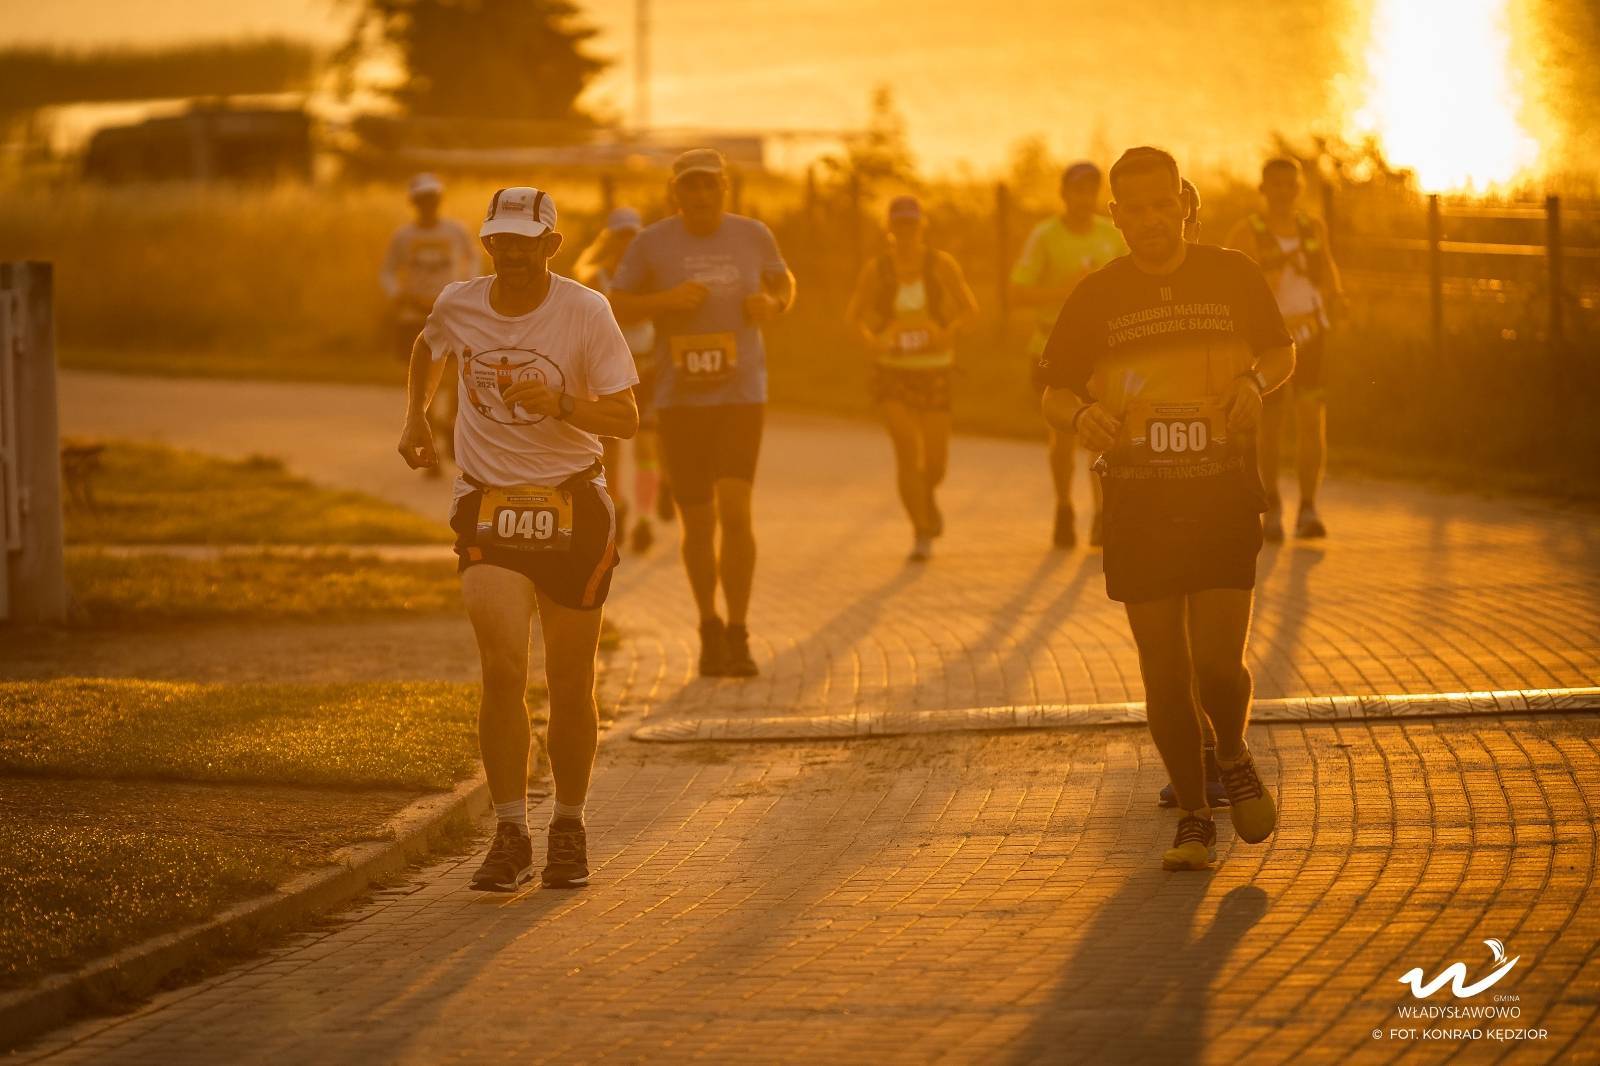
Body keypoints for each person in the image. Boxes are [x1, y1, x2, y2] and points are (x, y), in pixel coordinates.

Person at [1039, 147, 1295, 872]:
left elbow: (1282, 353)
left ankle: (1232, 753)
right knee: (1163, 669)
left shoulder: (1232, 276)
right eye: (1137, 209)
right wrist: (1080, 416)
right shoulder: (1096, 296)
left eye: (1164, 204)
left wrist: (1253, 383)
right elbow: (1054, 391)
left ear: (1184, 204)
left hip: (1221, 493)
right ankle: (1193, 816)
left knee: (1216, 666)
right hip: (1139, 503)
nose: (1152, 220)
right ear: (1116, 216)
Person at [396, 186, 640, 891]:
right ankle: (510, 834)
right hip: (489, 502)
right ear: (487, 243)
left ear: (552, 245)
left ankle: (568, 826)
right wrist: (416, 416)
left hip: (572, 502)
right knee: (503, 671)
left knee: (570, 681)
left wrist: (563, 403)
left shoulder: (586, 311)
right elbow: (427, 346)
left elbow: (626, 417)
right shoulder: (460, 302)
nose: (511, 254)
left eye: (526, 243)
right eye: (500, 241)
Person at [608, 148, 796, 678]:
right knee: (698, 521)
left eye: (709, 184)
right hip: (680, 399)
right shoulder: (651, 243)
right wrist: (666, 302)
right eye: (689, 186)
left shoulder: (753, 235)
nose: (700, 194)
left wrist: (774, 305)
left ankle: (739, 632)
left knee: (735, 510)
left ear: (723, 189)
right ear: (676, 192)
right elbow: (616, 302)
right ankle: (708, 627)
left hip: (741, 394)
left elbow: (783, 283)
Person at [845, 195, 979, 561]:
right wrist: (873, 342)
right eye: (899, 224)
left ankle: (926, 496)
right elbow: (853, 317)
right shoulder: (877, 269)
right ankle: (921, 530)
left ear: (922, 227)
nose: (905, 231)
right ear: (889, 229)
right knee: (906, 449)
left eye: (911, 224)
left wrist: (948, 333)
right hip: (892, 371)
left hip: (934, 369)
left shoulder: (941, 264)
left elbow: (970, 311)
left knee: (935, 463)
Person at [1224, 157, 1347, 540]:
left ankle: (1308, 508)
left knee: (1311, 418)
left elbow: (1328, 269)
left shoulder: (1313, 227)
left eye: (1290, 185)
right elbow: (1230, 287)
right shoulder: (1247, 232)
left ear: (1299, 189)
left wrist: (1337, 297)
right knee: (1270, 425)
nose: (1283, 192)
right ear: (1263, 188)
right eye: (1275, 184)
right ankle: (1273, 505)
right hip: (1270, 339)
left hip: (1311, 334)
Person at [1011, 161, 1127, 549]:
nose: (1084, 198)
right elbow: (1018, 292)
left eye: (1091, 190)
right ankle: (1064, 506)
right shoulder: (1045, 236)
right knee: (1062, 436)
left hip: (1102, 350)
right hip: (1052, 346)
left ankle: (1102, 514)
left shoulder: (1111, 235)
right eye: (1077, 190)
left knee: (1101, 429)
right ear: (1063, 194)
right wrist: (1067, 290)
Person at [576, 206, 664, 554]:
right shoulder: (593, 277)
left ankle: (644, 518)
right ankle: (617, 506)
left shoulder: (654, 277)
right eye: (622, 236)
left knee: (646, 446)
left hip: (647, 368)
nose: (628, 243)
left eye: (634, 237)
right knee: (610, 450)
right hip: (608, 373)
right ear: (609, 240)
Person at [381, 173, 479, 475]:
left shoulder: (456, 231)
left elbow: (473, 259)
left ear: (439, 200)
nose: (429, 204)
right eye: (423, 199)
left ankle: (452, 422)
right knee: (422, 386)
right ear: (415, 202)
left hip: (450, 312)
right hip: (415, 314)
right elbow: (387, 271)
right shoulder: (403, 237)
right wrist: (399, 295)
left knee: (459, 376)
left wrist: (467, 289)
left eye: (433, 199)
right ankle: (431, 445)